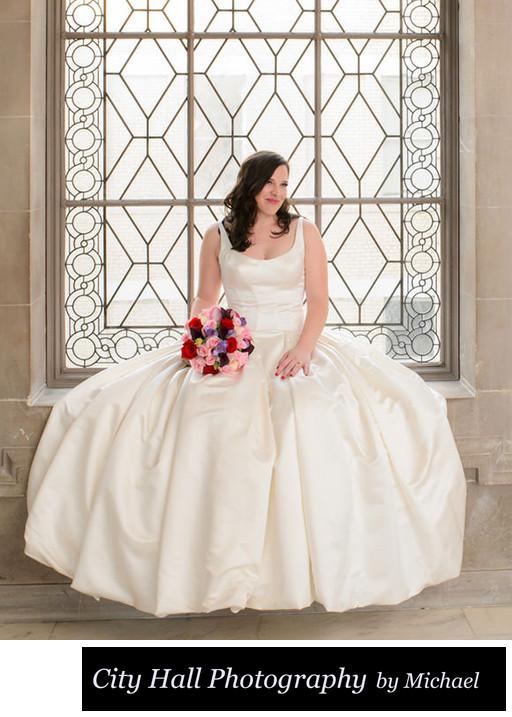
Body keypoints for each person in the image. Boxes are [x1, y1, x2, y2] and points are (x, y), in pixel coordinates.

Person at [24, 150, 467, 617]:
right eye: (270, 183)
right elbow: (205, 296)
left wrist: (303, 350)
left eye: (284, 184)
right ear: (250, 184)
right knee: (189, 419)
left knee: (311, 416)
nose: (277, 192)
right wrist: (206, 341)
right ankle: (202, 571)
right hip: (234, 344)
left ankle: (307, 570)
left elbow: (318, 301)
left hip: (295, 344)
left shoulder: (305, 232)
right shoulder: (218, 234)